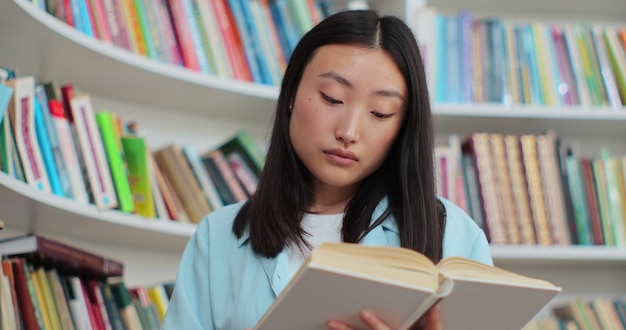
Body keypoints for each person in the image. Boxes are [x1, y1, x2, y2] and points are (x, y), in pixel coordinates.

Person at [162, 9, 492, 330]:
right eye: (332, 98)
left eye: (380, 113)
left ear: (403, 127)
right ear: (291, 93)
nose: (349, 131)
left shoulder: (453, 235)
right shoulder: (218, 237)